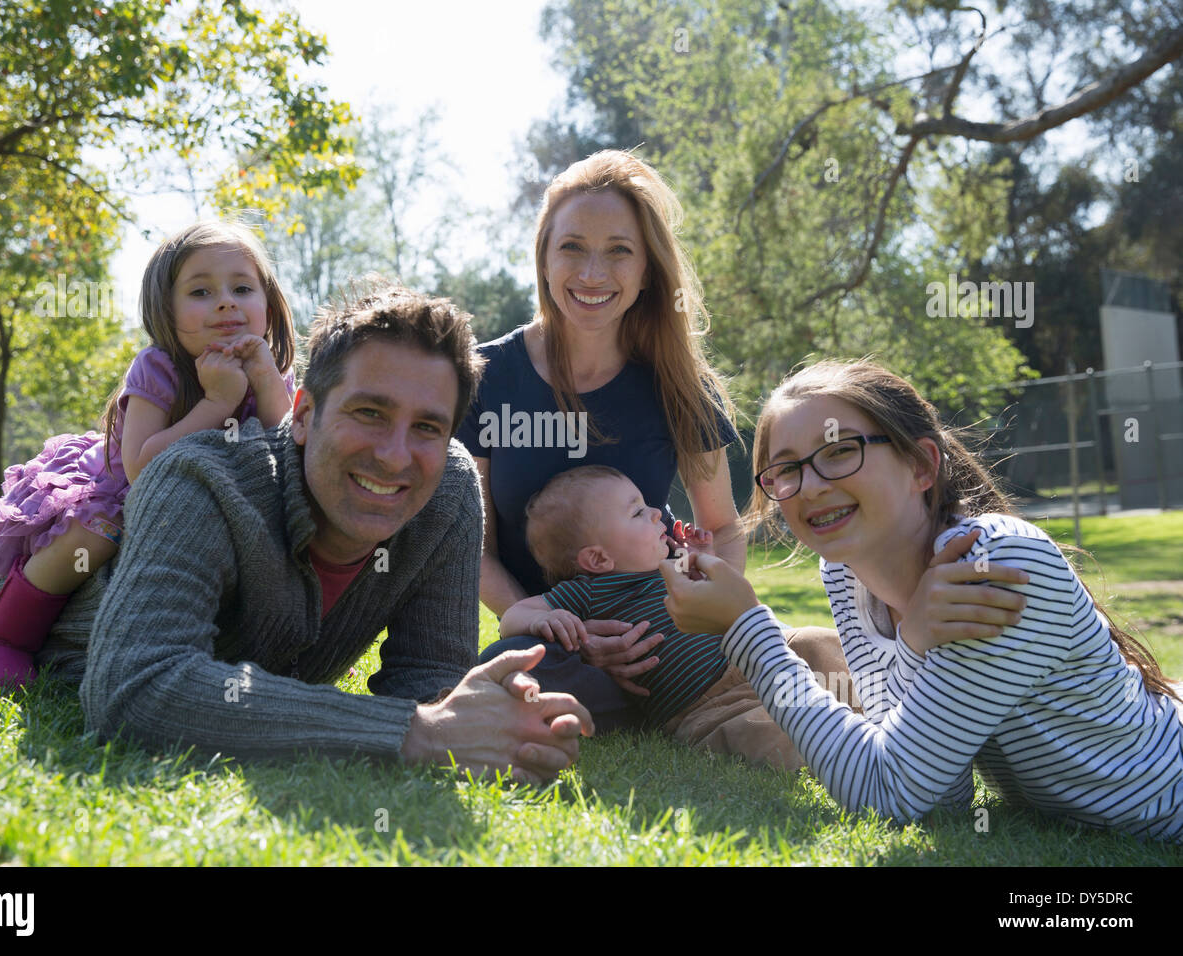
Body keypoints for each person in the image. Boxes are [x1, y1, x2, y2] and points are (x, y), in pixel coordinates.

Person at [0, 284, 593, 783]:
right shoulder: (200, 477)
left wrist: (486, 723)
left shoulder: (448, 490)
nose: (395, 454)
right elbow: (136, 688)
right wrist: (417, 734)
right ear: (305, 413)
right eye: (369, 412)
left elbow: (425, 681)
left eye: (428, 427)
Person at [662, 358, 1183, 842]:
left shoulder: (993, 564)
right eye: (788, 469)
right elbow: (936, 796)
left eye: (841, 451)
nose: (812, 486)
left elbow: (886, 792)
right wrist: (912, 643)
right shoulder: (845, 574)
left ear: (921, 465)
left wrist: (747, 628)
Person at [459, 150, 749, 730]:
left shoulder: (677, 384)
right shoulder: (484, 377)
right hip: (553, 637)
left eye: (619, 251)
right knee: (508, 673)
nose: (593, 274)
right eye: (572, 247)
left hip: (660, 628)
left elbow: (722, 528)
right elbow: (477, 549)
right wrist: (560, 627)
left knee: (792, 657)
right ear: (543, 258)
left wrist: (694, 615)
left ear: (646, 272)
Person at [0, 221, 298, 687]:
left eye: (242, 288)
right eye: (200, 292)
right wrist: (216, 404)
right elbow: (141, 466)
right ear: (166, 309)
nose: (226, 302)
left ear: (269, 302)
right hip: (123, 493)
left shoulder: (272, 370)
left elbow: (286, 449)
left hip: (218, 505)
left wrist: (263, 382)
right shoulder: (159, 367)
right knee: (92, 537)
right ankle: (2, 639)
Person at [502, 465, 852, 768]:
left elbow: (718, 591)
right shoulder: (589, 592)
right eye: (637, 513)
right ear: (598, 559)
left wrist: (701, 557)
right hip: (706, 706)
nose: (657, 513)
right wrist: (540, 620)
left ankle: (881, 692)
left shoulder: (672, 567)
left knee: (814, 642)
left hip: (754, 661)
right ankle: (838, 747)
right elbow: (513, 617)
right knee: (761, 731)